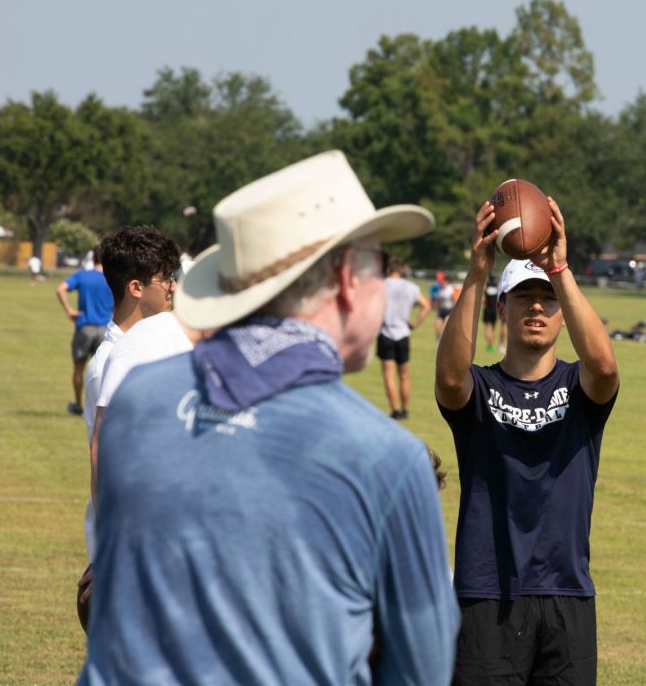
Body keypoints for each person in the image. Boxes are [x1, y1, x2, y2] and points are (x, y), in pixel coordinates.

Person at [79, 151, 459, 684]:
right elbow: (422, 670)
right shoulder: (387, 460)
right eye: (380, 264)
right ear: (349, 279)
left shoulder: (140, 397)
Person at [436, 196, 619, 686]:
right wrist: (477, 274)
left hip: (567, 592)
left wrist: (559, 268)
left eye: (548, 298)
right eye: (523, 296)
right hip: (487, 593)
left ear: (562, 312)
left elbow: (604, 368)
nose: (537, 306)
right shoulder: (480, 390)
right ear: (503, 307)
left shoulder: (581, 389)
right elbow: (450, 379)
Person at [74, 226, 182, 629]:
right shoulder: (114, 361)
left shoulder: (153, 343)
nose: (172, 286)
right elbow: (109, 459)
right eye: (165, 278)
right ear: (136, 287)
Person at [56, 257, 114, 416]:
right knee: (103, 372)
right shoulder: (113, 277)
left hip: (85, 328)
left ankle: (78, 405)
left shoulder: (83, 276)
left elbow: (60, 288)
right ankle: (102, 409)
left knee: (78, 368)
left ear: (93, 258)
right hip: (105, 329)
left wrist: (69, 310)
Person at [378, 256, 432, 420]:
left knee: (389, 374)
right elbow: (427, 306)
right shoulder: (411, 287)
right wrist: (414, 324)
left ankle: (395, 410)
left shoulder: (381, 285)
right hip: (403, 333)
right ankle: (405, 410)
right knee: (404, 374)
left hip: (386, 332)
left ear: (389, 269)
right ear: (401, 271)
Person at [481, 274, 505, 353]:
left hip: (487, 309)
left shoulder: (486, 287)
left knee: (488, 327)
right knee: (493, 328)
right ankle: (494, 345)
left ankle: (490, 345)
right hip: (495, 310)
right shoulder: (497, 287)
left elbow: (483, 298)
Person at [431, 270, 455, 341]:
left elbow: (453, 301)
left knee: (445, 328)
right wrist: (435, 306)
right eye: (441, 282)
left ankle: (445, 342)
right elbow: (437, 300)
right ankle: (438, 341)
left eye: (443, 281)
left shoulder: (450, 289)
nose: (442, 283)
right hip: (441, 311)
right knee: (437, 328)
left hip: (449, 311)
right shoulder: (439, 290)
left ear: (447, 282)